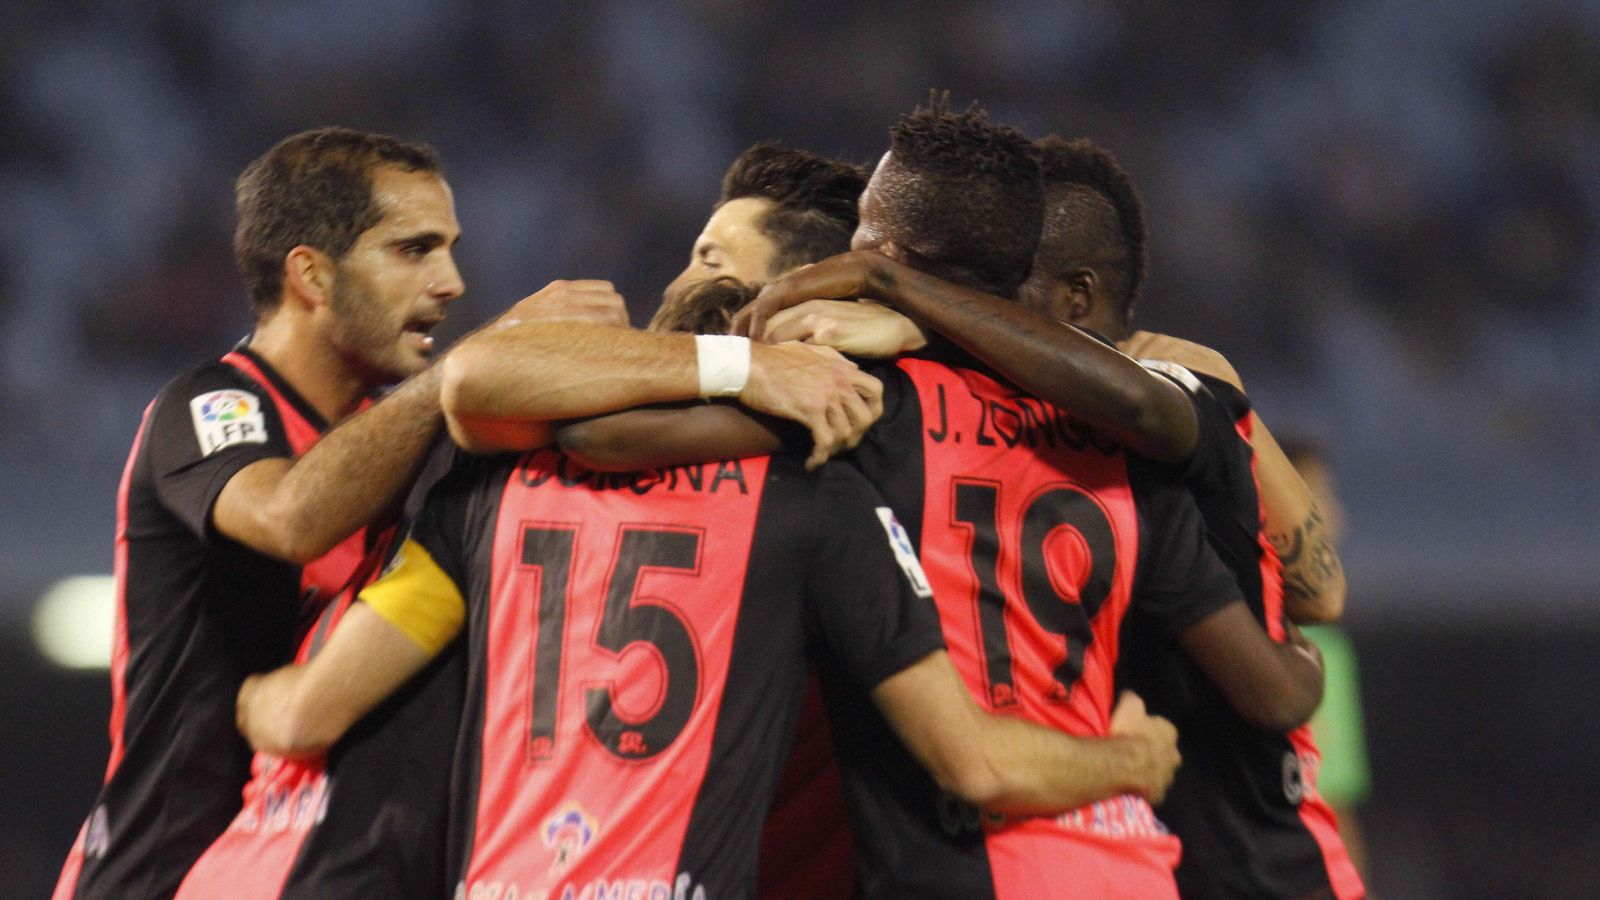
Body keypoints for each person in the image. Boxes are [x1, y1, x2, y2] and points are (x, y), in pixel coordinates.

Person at [479, 98, 1322, 898]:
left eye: (862, 242)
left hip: (960, 864)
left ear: (887, 259)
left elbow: (602, 436)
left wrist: (760, 365)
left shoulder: (875, 403)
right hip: (1130, 862)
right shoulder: (1134, 450)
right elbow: (1277, 688)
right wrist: (1306, 664)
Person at [234, 277, 1185, 899]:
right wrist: (1130, 761)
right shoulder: (816, 504)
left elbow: (307, 713)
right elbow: (974, 764)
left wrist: (253, 699)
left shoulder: (493, 489)